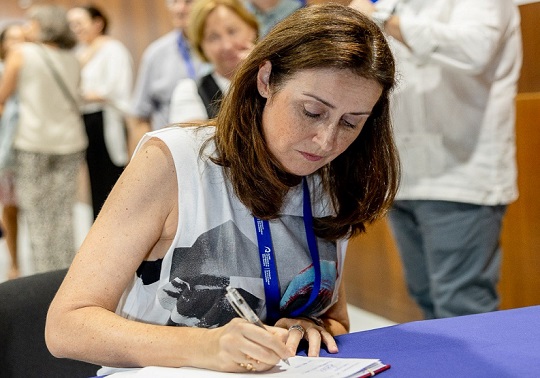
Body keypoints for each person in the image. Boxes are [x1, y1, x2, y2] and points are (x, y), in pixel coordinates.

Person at [45, 4, 399, 374]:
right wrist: (206, 346)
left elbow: (334, 318)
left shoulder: (334, 178)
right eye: (311, 111)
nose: (326, 141)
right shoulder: (173, 161)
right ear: (265, 80)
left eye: (351, 123)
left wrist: (306, 328)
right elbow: (66, 326)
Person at [350, 0, 523, 319]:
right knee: (425, 297)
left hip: (461, 176)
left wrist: (381, 19)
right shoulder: (389, 3)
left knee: (461, 305)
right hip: (403, 177)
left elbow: (475, 50)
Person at [0, 5, 87, 274]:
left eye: (31, 23)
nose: (26, 29)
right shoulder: (73, 59)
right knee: (63, 216)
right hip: (71, 143)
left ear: (44, 26)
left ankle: (43, 280)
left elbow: (2, 97)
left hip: (33, 143)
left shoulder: (21, 53)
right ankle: (65, 274)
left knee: (38, 217)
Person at [67, 5, 133, 220]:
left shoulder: (113, 49)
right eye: (71, 25)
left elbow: (115, 88)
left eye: (79, 23)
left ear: (98, 23)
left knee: (111, 179)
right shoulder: (77, 52)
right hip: (84, 120)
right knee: (94, 182)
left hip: (106, 119)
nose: (74, 29)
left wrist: (81, 94)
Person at [127, 0, 208, 154]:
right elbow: (139, 117)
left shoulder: (227, 48)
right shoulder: (156, 54)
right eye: (174, 2)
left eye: (188, 1)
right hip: (172, 155)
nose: (179, 8)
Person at [169, 0, 258, 123]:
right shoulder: (190, 91)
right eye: (213, 37)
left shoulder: (277, 76)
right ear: (201, 47)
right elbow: (195, 139)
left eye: (232, 31)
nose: (227, 45)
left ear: (252, 29)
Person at [0, 23, 25, 280]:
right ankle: (15, 262)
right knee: (10, 208)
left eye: (22, 39)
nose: (17, 44)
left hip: (30, 145)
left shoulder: (33, 70)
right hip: (6, 150)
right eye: (12, 39)